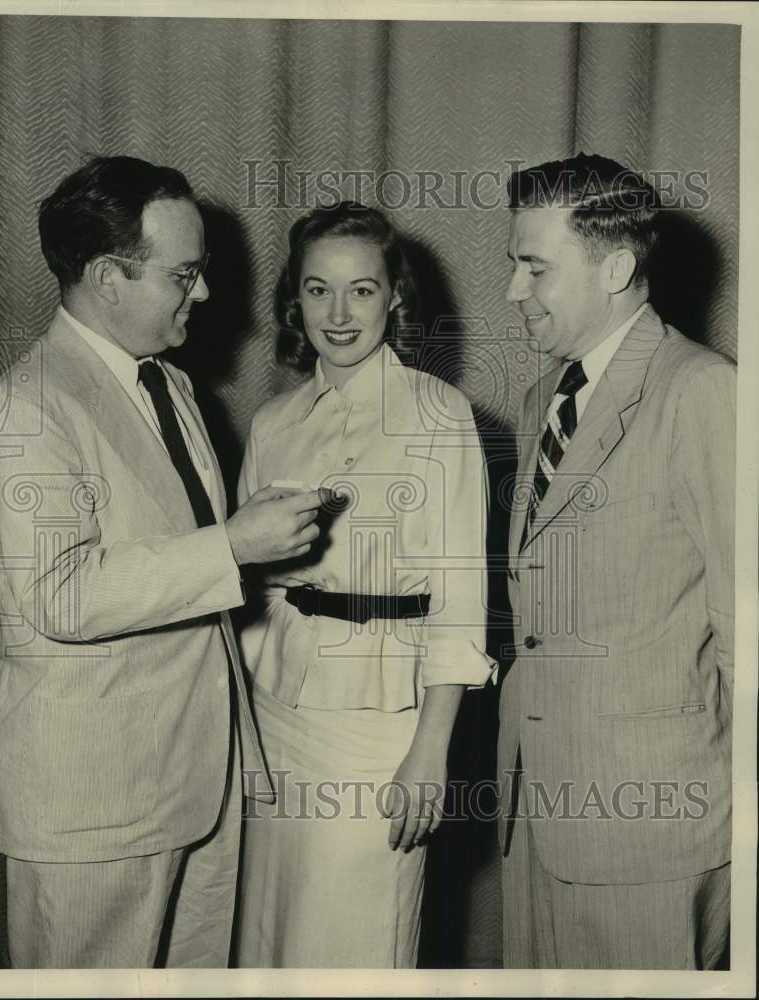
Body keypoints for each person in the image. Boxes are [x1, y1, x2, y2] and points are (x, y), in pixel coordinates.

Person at [0, 155, 328, 968]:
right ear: (107, 276)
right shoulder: (29, 406)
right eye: (184, 274)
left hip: (194, 786)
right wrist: (236, 545)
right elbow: (61, 595)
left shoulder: (168, 384)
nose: (203, 294)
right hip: (92, 809)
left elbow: (180, 567)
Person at [231, 201, 495, 968]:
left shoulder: (439, 415)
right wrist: (243, 728)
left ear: (395, 297)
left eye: (362, 290)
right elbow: (251, 588)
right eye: (318, 290)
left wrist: (430, 751)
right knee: (267, 938)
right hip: (275, 716)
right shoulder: (273, 422)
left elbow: (460, 596)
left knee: (355, 948)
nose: (338, 314)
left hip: (383, 725)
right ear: (295, 299)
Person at [498, 152, 735, 969]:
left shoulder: (703, 391)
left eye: (534, 268)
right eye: (513, 266)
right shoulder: (542, 402)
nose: (513, 292)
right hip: (537, 811)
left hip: (656, 832)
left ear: (617, 268)